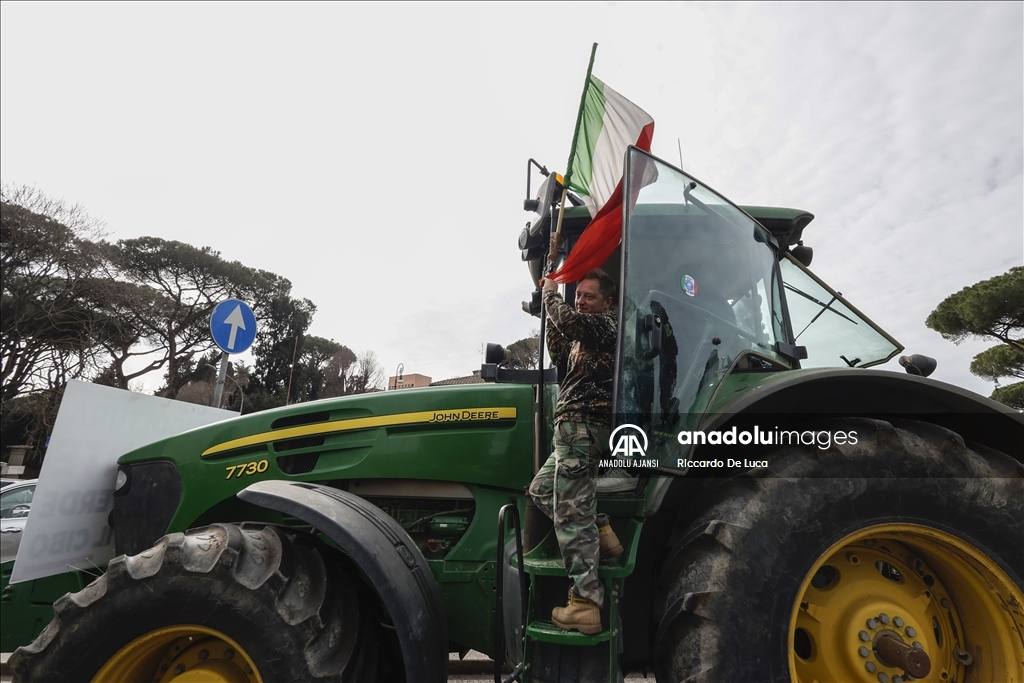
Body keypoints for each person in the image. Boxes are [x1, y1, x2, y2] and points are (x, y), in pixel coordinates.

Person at [528, 267, 624, 635]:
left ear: (607, 303)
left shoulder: (608, 327)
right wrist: (545, 307)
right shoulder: (585, 337)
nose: (581, 301)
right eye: (578, 295)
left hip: (583, 427)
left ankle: (585, 601)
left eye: (589, 296)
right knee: (541, 490)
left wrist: (554, 294)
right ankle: (600, 530)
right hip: (569, 431)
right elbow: (558, 348)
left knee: (572, 513)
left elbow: (570, 323)